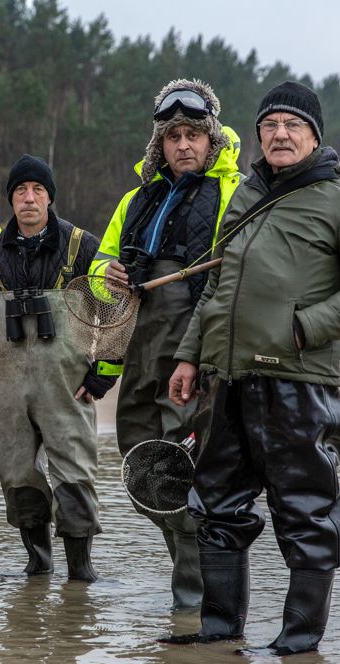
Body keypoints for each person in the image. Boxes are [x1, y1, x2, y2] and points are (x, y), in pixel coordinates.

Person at [163, 81, 340, 653]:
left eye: (293, 125)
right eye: (270, 125)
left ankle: (298, 641)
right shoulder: (245, 195)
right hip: (228, 380)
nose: (280, 134)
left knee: (306, 512)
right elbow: (216, 286)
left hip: (298, 383)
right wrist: (191, 355)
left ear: (315, 135)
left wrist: (305, 327)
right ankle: (220, 629)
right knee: (216, 505)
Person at [89, 78, 242, 608]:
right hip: (137, 353)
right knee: (142, 477)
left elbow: (233, 281)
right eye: (173, 135)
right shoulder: (136, 200)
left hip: (196, 360)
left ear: (212, 141)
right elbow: (97, 266)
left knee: (180, 474)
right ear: (161, 143)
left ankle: (195, 600)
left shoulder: (233, 195)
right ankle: (196, 583)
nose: (183, 144)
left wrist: (200, 356)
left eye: (193, 135)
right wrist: (102, 272)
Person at [0, 155, 115, 581]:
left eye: (38, 191)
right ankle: (38, 561)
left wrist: (102, 375)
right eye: (20, 191)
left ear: (50, 197)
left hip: (65, 383)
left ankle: (80, 570)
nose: (29, 199)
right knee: (16, 473)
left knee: (74, 472)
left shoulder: (82, 246)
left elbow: (116, 312)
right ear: (11, 199)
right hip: (6, 384)